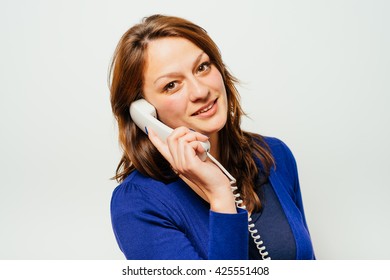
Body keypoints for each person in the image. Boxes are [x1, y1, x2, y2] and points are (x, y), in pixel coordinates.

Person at [109, 14, 315, 260]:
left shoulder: (273, 154)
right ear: (143, 111)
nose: (201, 91)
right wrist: (221, 195)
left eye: (202, 67)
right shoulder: (137, 204)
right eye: (172, 85)